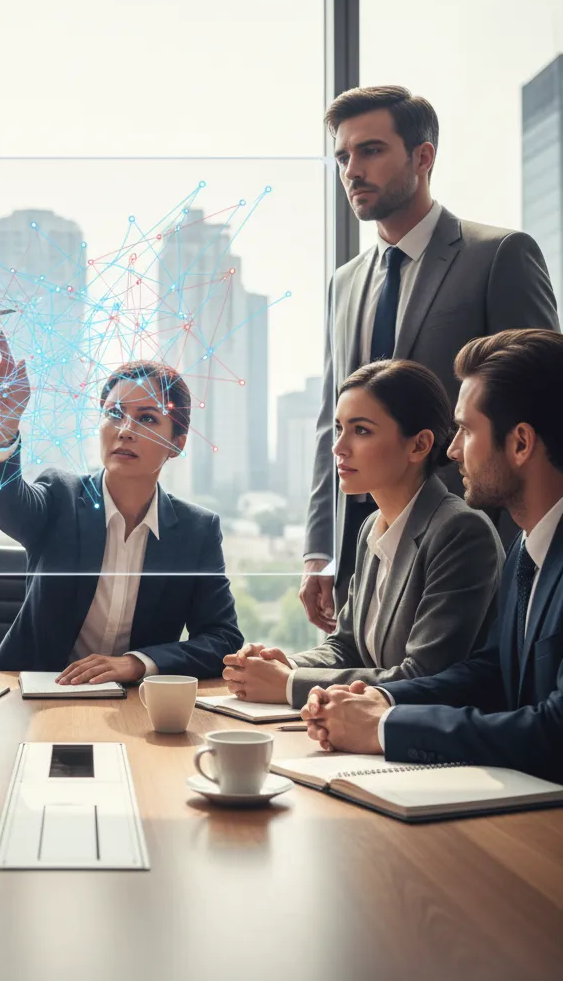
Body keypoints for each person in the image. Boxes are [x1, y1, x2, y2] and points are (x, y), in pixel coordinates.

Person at [301, 86, 558, 635]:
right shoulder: (344, 282)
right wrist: (321, 548)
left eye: (370, 150)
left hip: (480, 548)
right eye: (343, 156)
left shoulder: (498, 255)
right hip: (369, 550)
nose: (351, 170)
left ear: (423, 157)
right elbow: (332, 417)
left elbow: (545, 395)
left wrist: (531, 554)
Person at [301, 329, 563, 785]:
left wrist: (384, 727)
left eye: (465, 430)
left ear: (520, 443)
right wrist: (381, 700)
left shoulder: (468, 532)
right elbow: (490, 673)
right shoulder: (528, 546)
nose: (453, 449)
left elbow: (555, 731)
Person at [0, 326, 244, 682]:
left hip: (136, 707)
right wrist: (2, 424)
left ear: (177, 443)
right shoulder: (59, 496)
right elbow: (0, 497)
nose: (125, 429)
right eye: (114, 413)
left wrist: (137, 663)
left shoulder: (197, 530)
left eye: (147, 418)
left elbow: (223, 640)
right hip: (35, 696)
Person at [222, 360, 502, 707]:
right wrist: (281, 666)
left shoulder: (459, 532)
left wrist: (289, 683)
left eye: (361, 430)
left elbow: (423, 675)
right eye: (338, 428)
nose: (339, 447)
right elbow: (347, 646)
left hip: (428, 742)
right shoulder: (372, 526)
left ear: (419, 445)